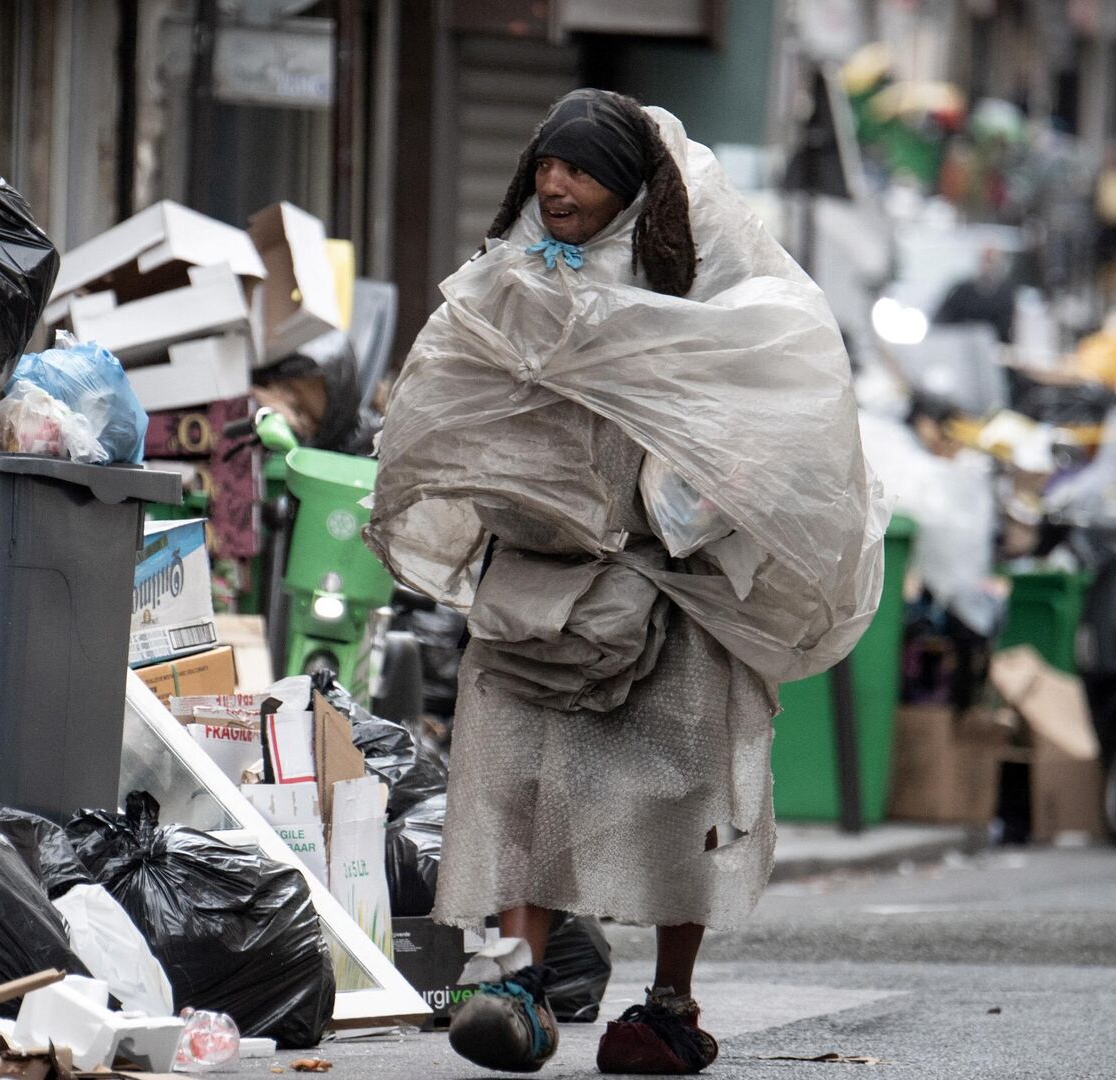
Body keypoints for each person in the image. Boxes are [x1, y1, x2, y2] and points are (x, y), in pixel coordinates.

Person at [367, 90, 882, 1075]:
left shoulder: (731, 301)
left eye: (582, 170)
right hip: (544, 591)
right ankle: (513, 980)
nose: (556, 185)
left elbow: (785, 417)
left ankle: (668, 1008)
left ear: (637, 192)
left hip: (683, 597)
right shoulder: (512, 282)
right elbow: (450, 393)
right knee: (524, 779)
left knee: (687, 795)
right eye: (546, 166)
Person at [932, 247, 1018, 343]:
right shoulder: (963, 290)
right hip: (962, 342)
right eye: (985, 260)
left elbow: (1007, 328)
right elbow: (943, 316)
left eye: (991, 261)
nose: (988, 265)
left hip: (992, 346)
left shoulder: (1005, 294)